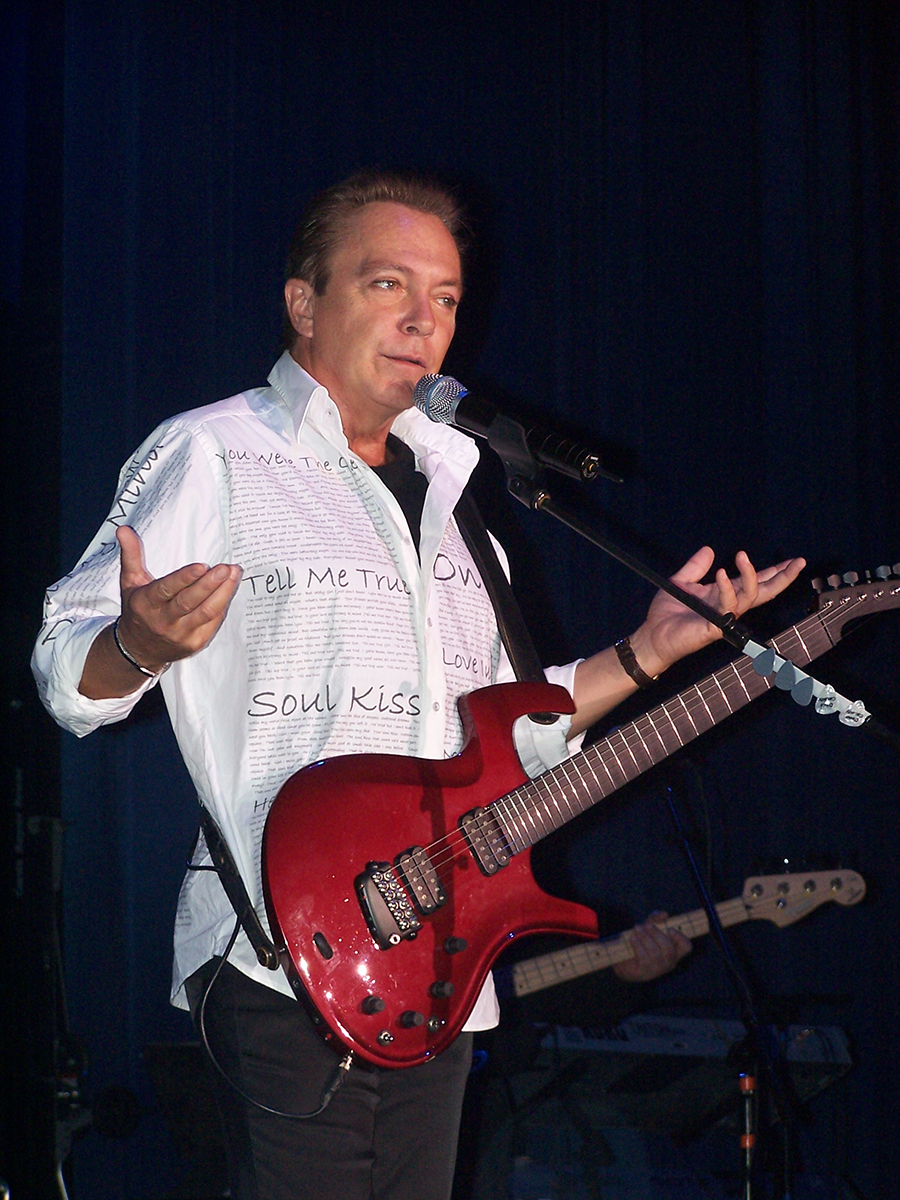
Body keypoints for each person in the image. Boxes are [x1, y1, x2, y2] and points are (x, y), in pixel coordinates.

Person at [32, 170, 804, 1200]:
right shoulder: (216, 451)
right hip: (282, 949)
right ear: (305, 303)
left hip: (437, 958)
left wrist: (649, 652)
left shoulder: (458, 498)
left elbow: (510, 737)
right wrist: (135, 644)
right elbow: (63, 668)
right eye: (387, 284)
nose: (424, 320)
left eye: (445, 296)